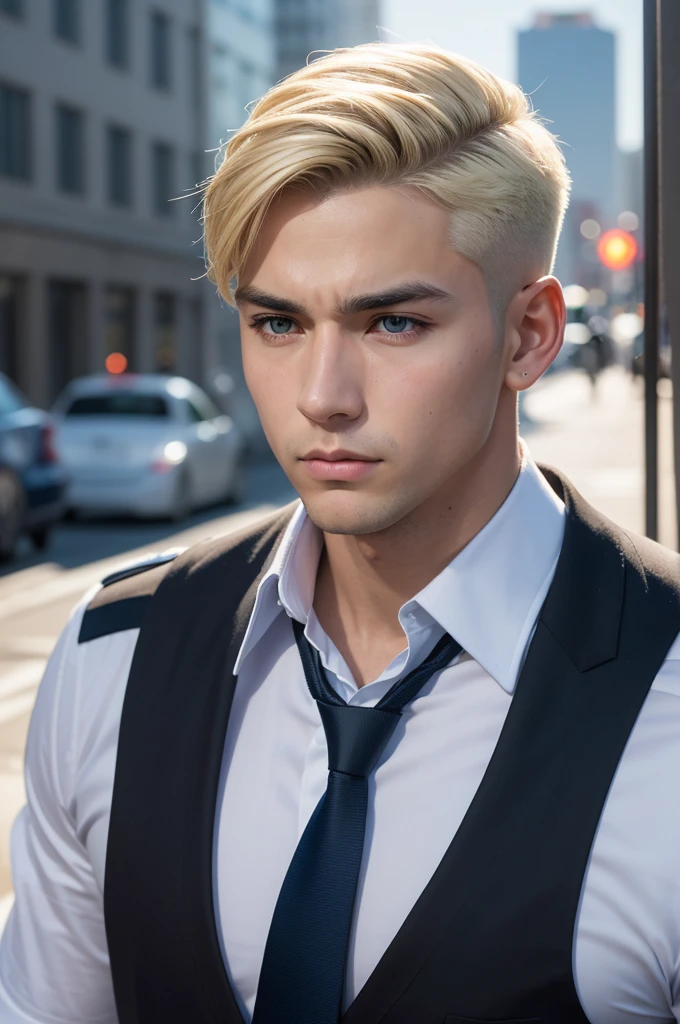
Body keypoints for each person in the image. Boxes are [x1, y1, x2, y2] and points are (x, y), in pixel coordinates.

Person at [1, 42, 680, 1024]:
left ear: (528, 334)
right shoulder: (113, 659)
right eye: (277, 324)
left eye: (391, 324)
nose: (321, 398)